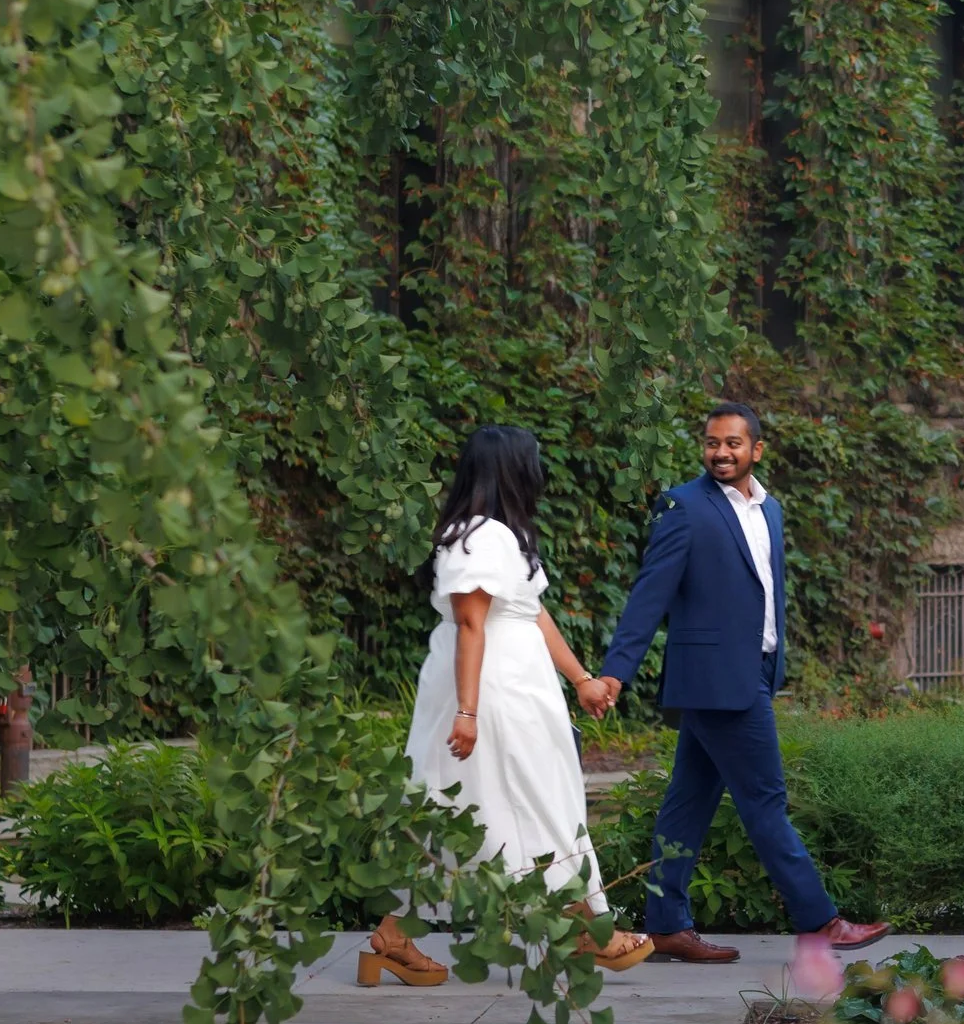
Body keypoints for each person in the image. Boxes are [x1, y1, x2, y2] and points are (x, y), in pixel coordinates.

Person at [582, 402, 891, 963]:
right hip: (719, 681)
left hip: (749, 672)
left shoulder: (768, 508)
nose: (720, 452)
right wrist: (614, 672)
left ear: (756, 449)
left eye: (732, 444)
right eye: (711, 443)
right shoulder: (685, 505)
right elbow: (650, 593)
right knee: (766, 800)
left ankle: (667, 923)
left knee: (688, 801)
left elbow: (766, 594)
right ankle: (819, 921)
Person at [364, 425, 653, 986]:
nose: (539, 471)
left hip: (519, 688)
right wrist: (468, 713)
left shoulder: (501, 534)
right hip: (493, 694)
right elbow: (472, 624)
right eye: (533, 461)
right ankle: (581, 931)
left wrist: (581, 679)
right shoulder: (477, 537)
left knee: (478, 810)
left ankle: (395, 936)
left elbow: (531, 612)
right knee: (533, 800)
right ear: (510, 470)